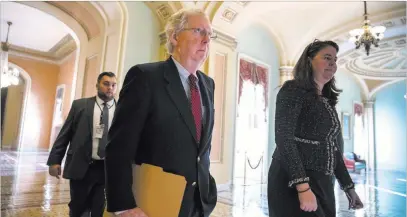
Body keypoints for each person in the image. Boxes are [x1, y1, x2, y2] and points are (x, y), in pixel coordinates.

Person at [104, 8, 217, 217]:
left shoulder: (208, 85)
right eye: (199, 31)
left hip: (198, 202)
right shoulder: (145, 77)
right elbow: (119, 146)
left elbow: (201, 146)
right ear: (174, 36)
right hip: (155, 200)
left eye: (210, 34)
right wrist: (123, 206)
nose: (206, 40)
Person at [267, 40, 364, 217]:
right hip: (292, 180)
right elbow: (284, 138)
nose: (332, 63)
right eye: (327, 57)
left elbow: (331, 148)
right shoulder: (292, 89)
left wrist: (348, 187)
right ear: (309, 60)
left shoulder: (326, 101)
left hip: (322, 181)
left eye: (334, 59)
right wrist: (303, 187)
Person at [47, 72, 117, 217]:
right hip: (83, 165)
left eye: (113, 85)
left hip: (107, 169)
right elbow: (65, 134)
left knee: (99, 208)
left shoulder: (121, 109)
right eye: (106, 84)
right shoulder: (80, 105)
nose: (110, 88)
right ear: (97, 85)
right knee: (78, 207)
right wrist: (55, 161)